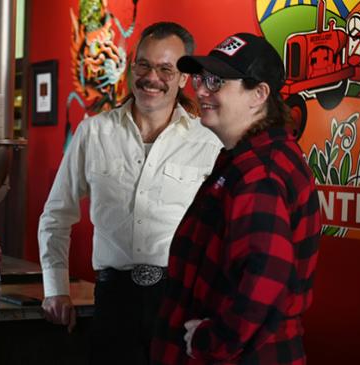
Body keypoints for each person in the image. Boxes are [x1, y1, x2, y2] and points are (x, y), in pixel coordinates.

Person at [38, 22, 222, 365]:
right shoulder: (94, 132)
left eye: (166, 68)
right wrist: (55, 288)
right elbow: (56, 215)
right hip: (113, 300)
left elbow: (222, 233)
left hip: (180, 300)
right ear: (131, 66)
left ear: (184, 78)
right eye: (144, 65)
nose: (152, 77)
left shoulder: (209, 142)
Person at [151, 33, 322, 364]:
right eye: (201, 78)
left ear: (258, 95)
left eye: (216, 81)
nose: (200, 90)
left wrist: (211, 341)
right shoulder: (249, 158)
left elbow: (267, 274)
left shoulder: (260, 172)